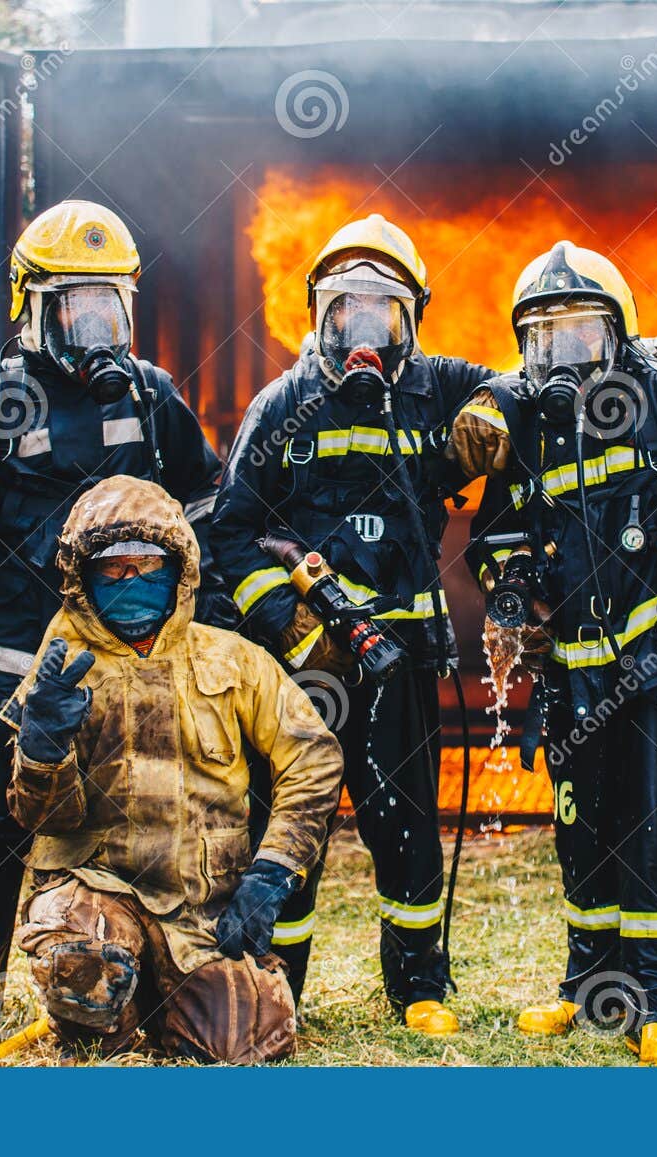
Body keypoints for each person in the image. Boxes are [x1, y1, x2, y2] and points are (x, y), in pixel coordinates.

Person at [0, 200, 224, 1026]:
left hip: (128, 667)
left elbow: (210, 493)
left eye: (110, 307)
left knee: (136, 829)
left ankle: (133, 1000)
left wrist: (189, 581)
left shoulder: (149, 396)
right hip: (13, 663)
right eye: (75, 308)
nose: (95, 328)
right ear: (34, 308)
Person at [454, 241, 657, 1066]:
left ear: (619, 336)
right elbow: (491, 537)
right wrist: (513, 586)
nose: (561, 358)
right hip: (575, 669)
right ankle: (589, 985)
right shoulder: (532, 434)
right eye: (542, 340)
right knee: (585, 828)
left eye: (578, 335)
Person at [209, 214, 494, 1034]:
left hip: (399, 657)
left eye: (383, 311)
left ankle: (419, 989)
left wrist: (496, 416)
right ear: (319, 317)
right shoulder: (282, 406)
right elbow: (232, 527)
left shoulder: (436, 389)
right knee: (289, 818)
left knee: (404, 819)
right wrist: (292, 619)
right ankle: (274, 984)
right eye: (345, 309)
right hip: (307, 670)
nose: (363, 329)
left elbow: (506, 386)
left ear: (412, 319)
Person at [4, 475, 342, 1059]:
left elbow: (312, 754)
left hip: (202, 908)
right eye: (111, 568)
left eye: (148, 564)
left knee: (249, 1040)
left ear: (180, 569)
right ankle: (106, 1024)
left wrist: (275, 872)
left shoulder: (233, 657)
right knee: (85, 971)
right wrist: (41, 748)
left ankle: (169, 1003)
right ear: (81, 579)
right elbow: (41, 818)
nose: (130, 580)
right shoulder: (62, 664)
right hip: (98, 891)